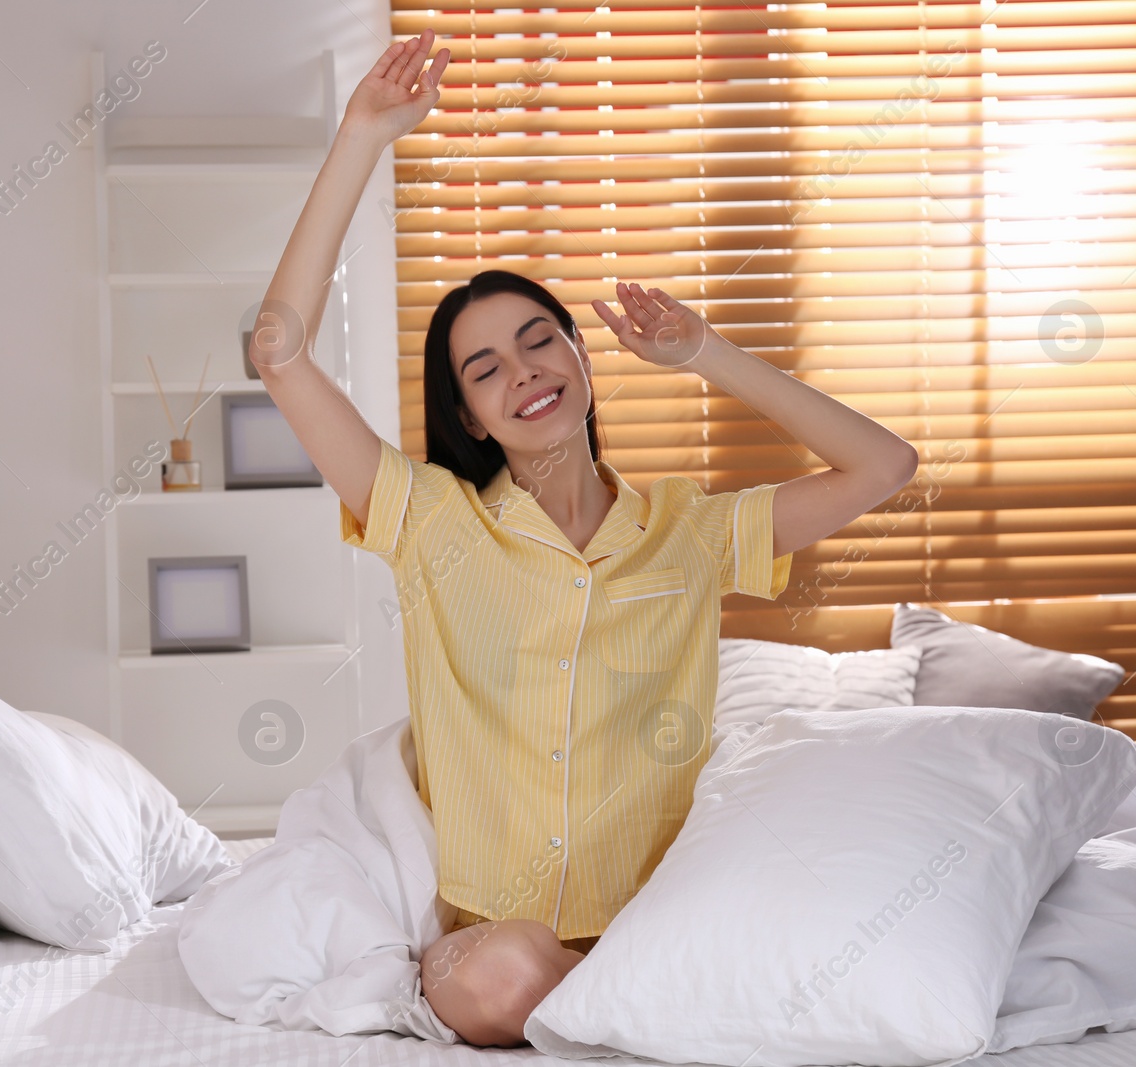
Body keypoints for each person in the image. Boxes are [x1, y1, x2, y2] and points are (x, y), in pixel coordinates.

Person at [245, 29, 920, 1048]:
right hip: (497, 940)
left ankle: (640, 1001)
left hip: (657, 923)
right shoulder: (428, 520)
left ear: (581, 359)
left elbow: (885, 468)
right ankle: (638, 1012)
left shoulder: (689, 531)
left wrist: (707, 353)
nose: (522, 370)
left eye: (538, 339)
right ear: (470, 416)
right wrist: (362, 135)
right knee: (511, 971)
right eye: (484, 369)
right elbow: (279, 351)